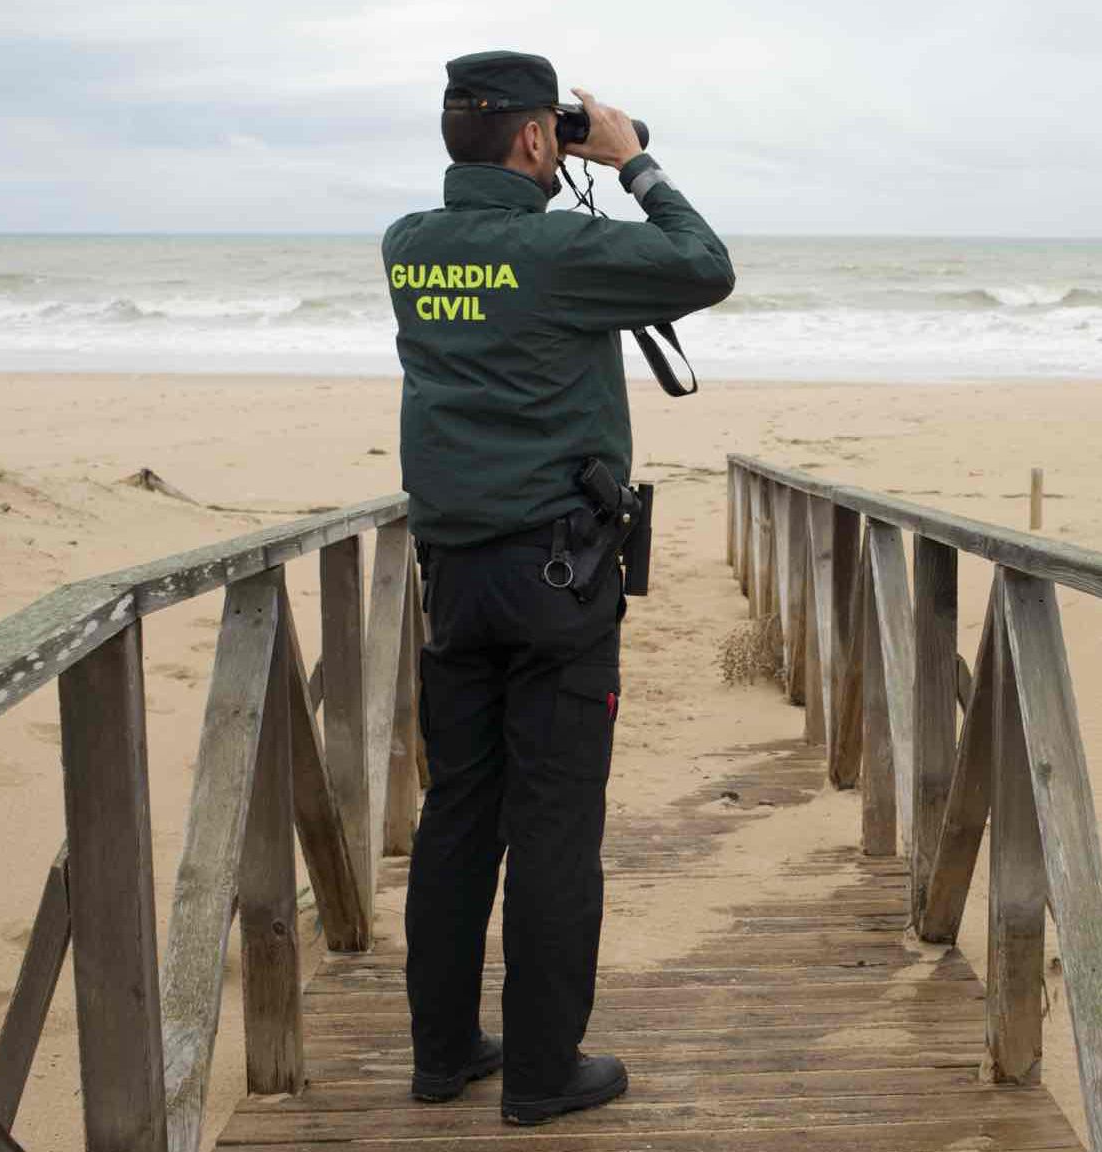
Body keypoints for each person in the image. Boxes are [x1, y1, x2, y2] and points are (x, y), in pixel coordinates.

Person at [382, 50, 735, 1126]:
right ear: (539, 139)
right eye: (554, 131)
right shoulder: (559, 247)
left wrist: (559, 165)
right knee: (551, 824)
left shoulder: (407, 246)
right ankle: (541, 1072)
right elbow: (702, 265)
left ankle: (443, 1053)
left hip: (454, 576)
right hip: (558, 577)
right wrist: (633, 161)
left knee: (458, 815)